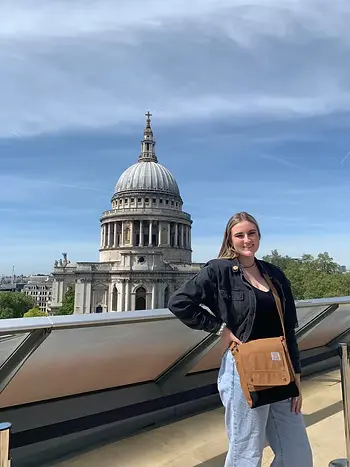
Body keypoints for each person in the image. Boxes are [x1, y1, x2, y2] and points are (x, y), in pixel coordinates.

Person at [168, 212, 313, 467]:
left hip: (280, 366)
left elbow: (288, 327)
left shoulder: (274, 273)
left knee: (297, 452)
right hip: (243, 368)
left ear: (259, 236)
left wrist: (297, 375)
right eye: (240, 235)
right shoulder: (219, 270)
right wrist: (219, 329)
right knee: (246, 453)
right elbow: (179, 302)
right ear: (230, 240)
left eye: (252, 233)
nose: (247, 240)